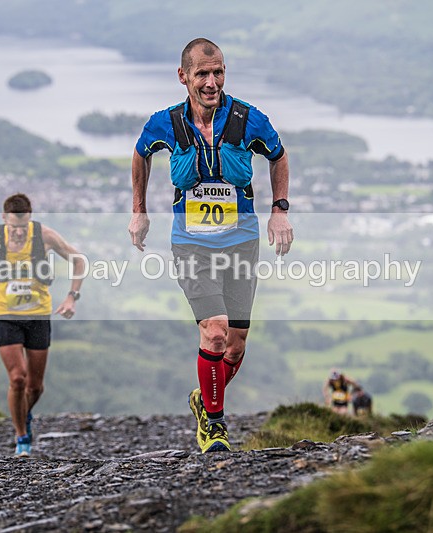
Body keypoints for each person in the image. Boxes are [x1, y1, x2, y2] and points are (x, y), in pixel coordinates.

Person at [128, 38, 293, 453]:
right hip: (191, 244)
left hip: (241, 241)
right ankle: (215, 427)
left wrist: (280, 210)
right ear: (183, 76)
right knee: (214, 331)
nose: (211, 81)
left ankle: (205, 398)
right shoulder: (166, 122)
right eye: (202, 73)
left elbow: (279, 156)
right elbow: (140, 154)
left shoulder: (248, 118)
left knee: (235, 346)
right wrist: (139, 210)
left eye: (217, 72)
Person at [0, 193, 86, 457]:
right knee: (17, 378)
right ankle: (21, 436)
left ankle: (24, 414)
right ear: (3, 219)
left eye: (23, 227)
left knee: (35, 386)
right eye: (14, 227)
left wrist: (72, 297)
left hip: (38, 315)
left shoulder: (45, 236)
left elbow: (79, 260)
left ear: (30, 220)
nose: (19, 233)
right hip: (4, 313)